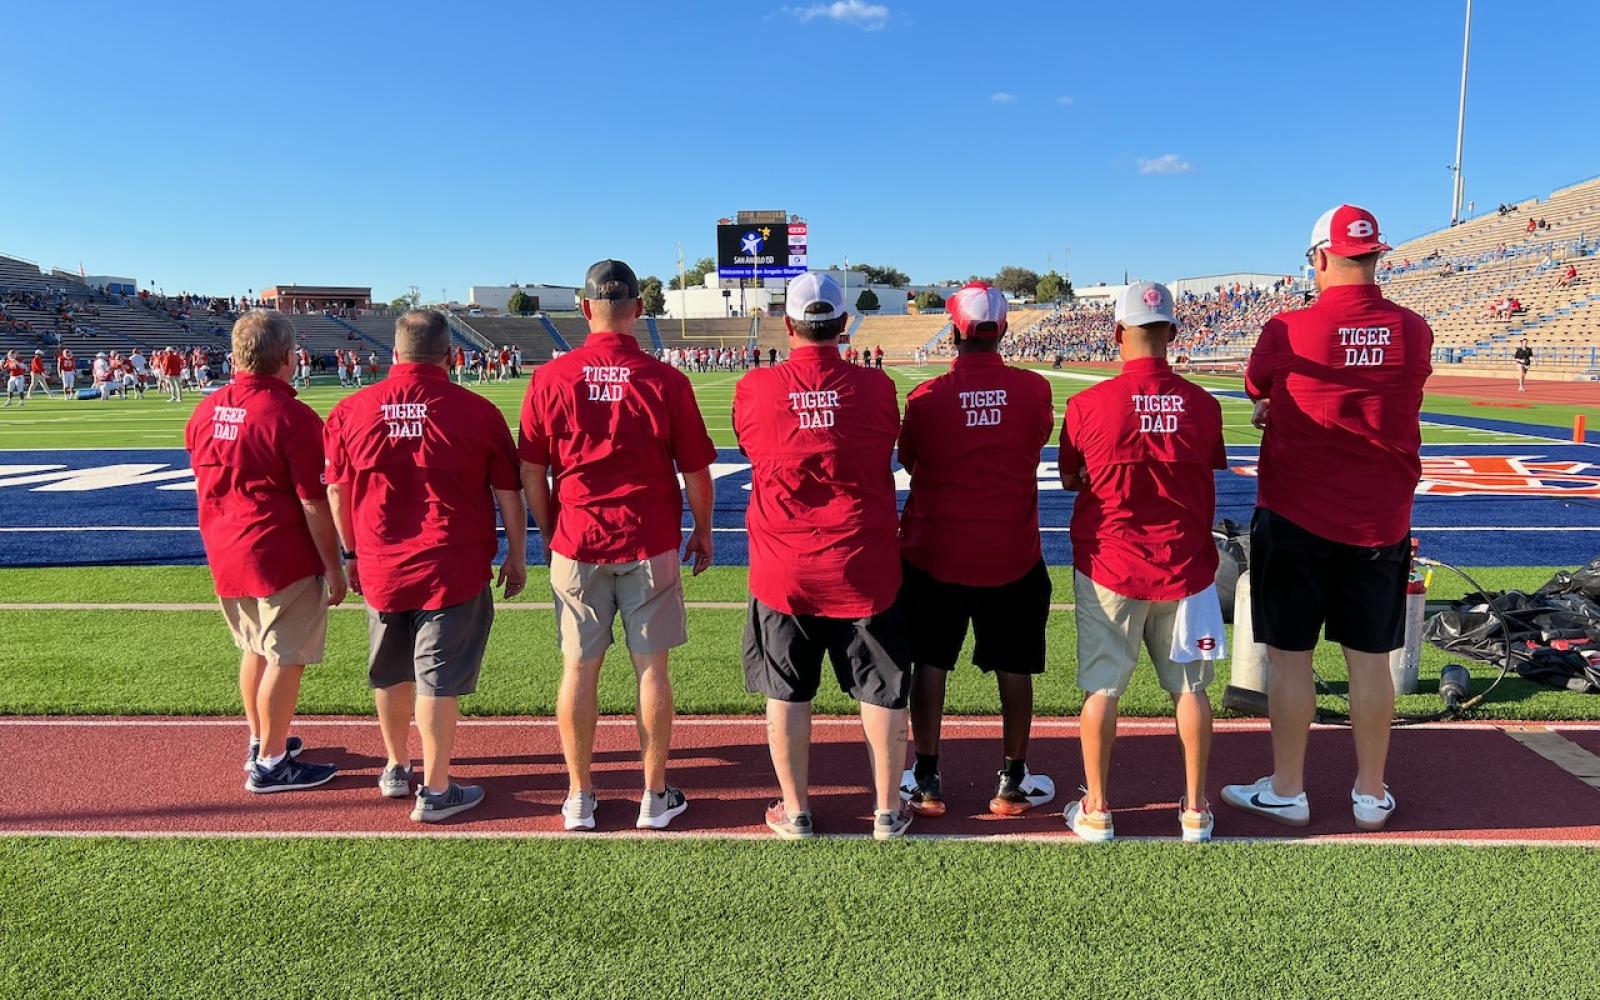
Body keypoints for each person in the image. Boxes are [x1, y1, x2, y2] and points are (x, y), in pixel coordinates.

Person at [1222, 205, 1432, 832]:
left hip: (1296, 513)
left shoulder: (1288, 328)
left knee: (1291, 658)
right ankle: (1370, 792)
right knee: (1370, 660)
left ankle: (1289, 788)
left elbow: (1259, 385)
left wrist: (1275, 408)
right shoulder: (1413, 329)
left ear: (1319, 257)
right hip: (1381, 519)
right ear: (1376, 255)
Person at [519, 260, 717, 832]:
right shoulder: (666, 380)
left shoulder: (551, 378)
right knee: (651, 669)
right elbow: (696, 472)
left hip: (577, 538)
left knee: (578, 668)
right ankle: (653, 795)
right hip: (648, 539)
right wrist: (704, 530)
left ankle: (579, 795)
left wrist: (550, 529)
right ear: (638, 309)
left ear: (585, 309)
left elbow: (531, 470)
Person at [325, 310, 527, 823]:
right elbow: (508, 491)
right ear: (451, 356)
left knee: (391, 670)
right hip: (451, 563)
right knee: (437, 677)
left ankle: (397, 766)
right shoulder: (477, 411)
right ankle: (436, 789)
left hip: (381, 562)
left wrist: (349, 553)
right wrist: (517, 552)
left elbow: (337, 491)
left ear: (394, 353)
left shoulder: (351, 410)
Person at [734, 272, 913, 841]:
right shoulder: (877, 388)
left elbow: (751, 446)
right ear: (843, 324)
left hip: (784, 566)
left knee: (786, 690)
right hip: (864, 562)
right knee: (883, 690)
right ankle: (887, 810)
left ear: (788, 325)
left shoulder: (756, 388)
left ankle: (796, 811)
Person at [1058, 282, 1226, 843]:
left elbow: (1072, 477)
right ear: (1172, 333)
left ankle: (1098, 809)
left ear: (1116, 333)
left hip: (1111, 562)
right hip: (1185, 564)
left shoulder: (1087, 406)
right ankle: (1196, 809)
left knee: (1103, 690)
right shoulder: (1203, 405)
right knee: (1191, 689)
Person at [896, 282, 1056, 818]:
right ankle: (1013, 778)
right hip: (1012, 552)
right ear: (1002, 330)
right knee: (1015, 667)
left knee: (930, 662)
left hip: (935, 551)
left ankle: (926, 776)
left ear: (954, 333)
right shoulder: (1034, 390)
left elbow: (911, 460)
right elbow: (1032, 445)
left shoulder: (926, 398)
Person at [185, 311, 346, 793]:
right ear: (288, 357)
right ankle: (272, 763)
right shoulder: (291, 417)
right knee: (286, 657)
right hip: (278, 551)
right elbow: (314, 502)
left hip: (225, 546)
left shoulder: (206, 409)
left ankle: (261, 740)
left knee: (254, 647)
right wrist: (334, 565)